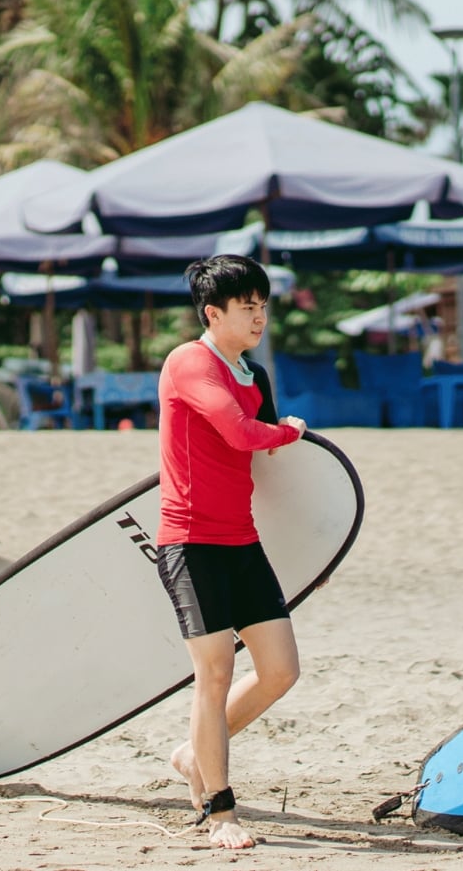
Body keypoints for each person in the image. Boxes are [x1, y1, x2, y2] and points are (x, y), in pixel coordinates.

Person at [156, 254, 307, 849]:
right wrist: (291, 429)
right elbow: (245, 434)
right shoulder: (190, 362)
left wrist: (311, 557)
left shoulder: (254, 376)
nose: (259, 317)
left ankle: (195, 755)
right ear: (213, 313)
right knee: (215, 673)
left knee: (280, 671)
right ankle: (219, 812)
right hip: (190, 543)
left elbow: (272, 472)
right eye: (248, 308)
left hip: (242, 540)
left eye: (264, 306)